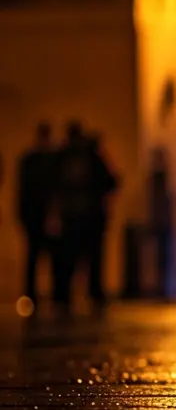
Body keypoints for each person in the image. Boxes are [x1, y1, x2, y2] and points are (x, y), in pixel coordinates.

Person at [53, 123, 118, 311]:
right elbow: (110, 182)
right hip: (85, 217)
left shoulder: (66, 156)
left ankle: (66, 295)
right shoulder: (86, 157)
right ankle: (85, 293)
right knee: (86, 258)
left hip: (79, 217)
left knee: (72, 259)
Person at [16, 122, 58, 306]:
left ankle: (45, 293)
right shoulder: (36, 160)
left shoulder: (36, 160)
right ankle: (34, 293)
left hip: (41, 216)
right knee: (35, 256)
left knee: (44, 256)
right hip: (36, 216)